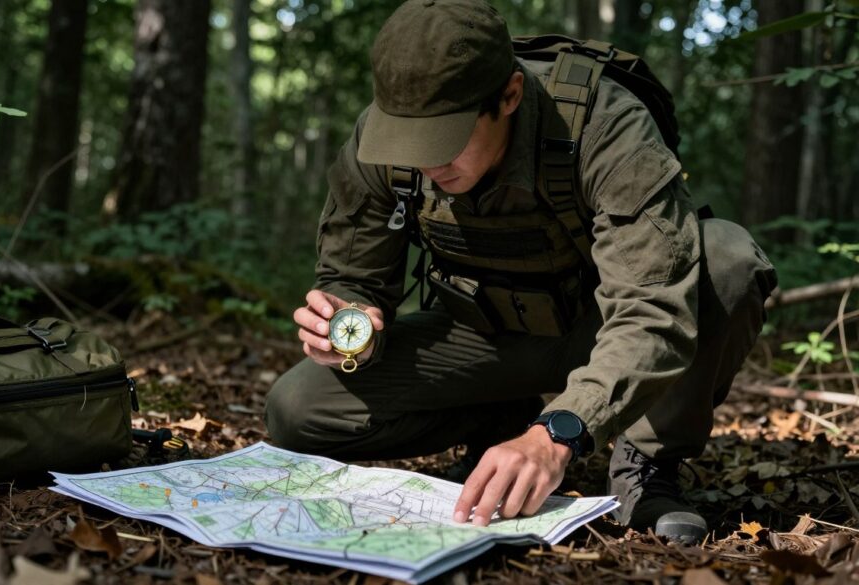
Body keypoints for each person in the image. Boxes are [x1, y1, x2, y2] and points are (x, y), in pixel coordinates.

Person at [265, 0, 776, 545]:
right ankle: (496, 422)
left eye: (445, 140)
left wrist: (560, 430)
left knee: (725, 260)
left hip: (601, 329)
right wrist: (347, 318)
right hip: (486, 335)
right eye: (410, 143)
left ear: (508, 96)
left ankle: (646, 464)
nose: (427, 164)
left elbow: (652, 308)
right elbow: (352, 275)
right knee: (298, 410)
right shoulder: (380, 139)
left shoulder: (603, 124)